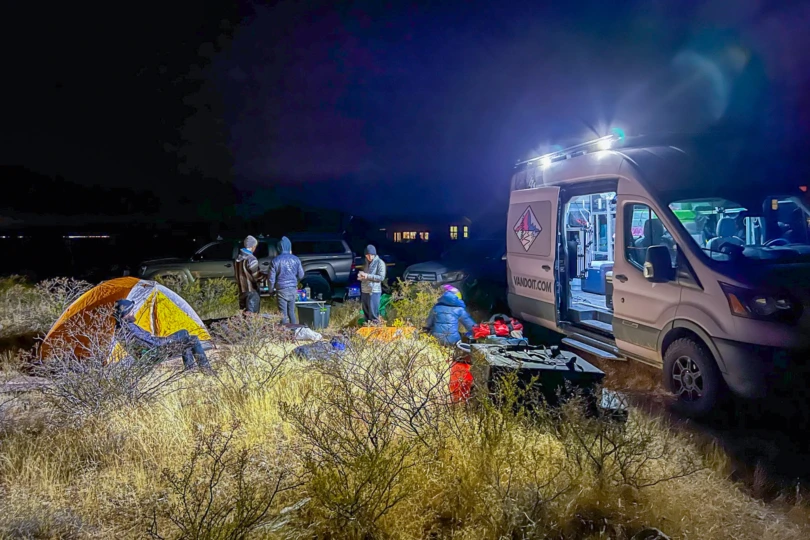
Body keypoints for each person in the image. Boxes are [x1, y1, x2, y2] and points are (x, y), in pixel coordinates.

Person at [113, 299, 212, 372]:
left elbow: (145, 342)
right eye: (132, 310)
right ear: (127, 313)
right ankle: (206, 369)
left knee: (185, 335)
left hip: (146, 353)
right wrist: (168, 339)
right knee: (192, 338)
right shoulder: (130, 327)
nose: (133, 312)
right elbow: (154, 343)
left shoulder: (119, 328)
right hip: (155, 352)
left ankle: (190, 369)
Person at [268, 236, 304, 324]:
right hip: (292, 288)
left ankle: (284, 330)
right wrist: (294, 280)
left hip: (281, 289)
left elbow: (271, 279)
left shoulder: (275, 261)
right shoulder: (296, 259)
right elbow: (301, 275)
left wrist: (271, 290)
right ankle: (294, 330)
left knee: (283, 314)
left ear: (279, 247)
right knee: (291, 312)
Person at [235, 235, 262, 313]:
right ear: (253, 246)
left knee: (244, 316)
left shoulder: (237, 259)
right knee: (252, 316)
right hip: (252, 291)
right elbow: (256, 276)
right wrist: (265, 277)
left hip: (242, 291)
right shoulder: (251, 259)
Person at [358, 244, 386, 323]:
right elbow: (366, 276)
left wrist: (367, 276)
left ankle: (375, 328)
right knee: (366, 315)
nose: (369, 257)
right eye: (367, 255)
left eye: (371, 255)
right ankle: (367, 328)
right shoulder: (366, 263)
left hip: (374, 291)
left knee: (373, 316)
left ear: (374, 254)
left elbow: (381, 277)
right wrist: (362, 277)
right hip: (365, 290)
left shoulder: (380, 263)